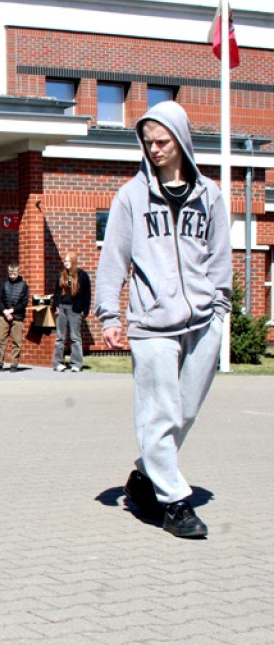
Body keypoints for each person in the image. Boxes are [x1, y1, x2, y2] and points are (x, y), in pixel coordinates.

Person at [95, 100, 231, 540]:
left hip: (203, 319)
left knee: (184, 411)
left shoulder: (209, 195)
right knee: (160, 412)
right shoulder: (131, 197)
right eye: (147, 142)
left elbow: (220, 256)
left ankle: (144, 477)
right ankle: (175, 503)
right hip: (152, 323)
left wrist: (221, 307)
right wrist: (110, 315)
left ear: (181, 140)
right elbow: (112, 258)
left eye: (162, 141)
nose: (153, 149)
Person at [52, 252, 92, 372]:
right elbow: (56, 292)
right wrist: (56, 306)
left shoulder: (82, 275)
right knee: (60, 337)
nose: (66, 263)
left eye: (68, 261)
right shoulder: (62, 275)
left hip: (75, 309)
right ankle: (58, 362)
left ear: (74, 262)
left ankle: (76, 363)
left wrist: (85, 309)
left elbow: (87, 294)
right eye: (65, 261)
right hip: (62, 307)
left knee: (75, 337)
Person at [0, 262, 29, 372]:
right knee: (0, 340)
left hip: (17, 316)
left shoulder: (23, 285)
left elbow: (24, 302)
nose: (12, 275)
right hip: (4, 315)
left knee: (17, 342)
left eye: (14, 273)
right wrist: (5, 311)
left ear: (18, 272)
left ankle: (14, 364)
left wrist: (12, 310)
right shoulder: (4, 284)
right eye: (10, 273)